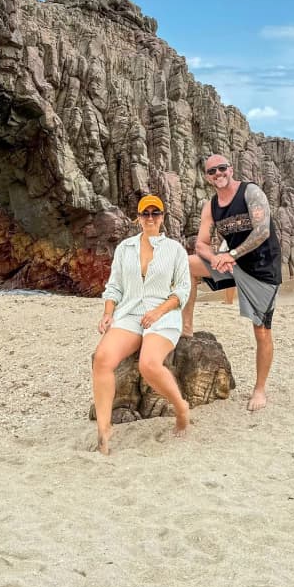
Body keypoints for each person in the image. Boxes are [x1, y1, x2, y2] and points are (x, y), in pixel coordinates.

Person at [91, 194, 192, 456]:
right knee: (102, 359)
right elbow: (114, 286)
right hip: (130, 313)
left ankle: (181, 408)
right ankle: (104, 429)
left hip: (164, 314)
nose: (150, 218)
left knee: (148, 364)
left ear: (162, 217)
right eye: (145, 213)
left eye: (155, 213)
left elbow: (182, 290)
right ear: (138, 218)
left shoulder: (175, 250)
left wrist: (158, 312)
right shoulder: (125, 248)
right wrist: (108, 313)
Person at [182, 154, 281, 412]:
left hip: (261, 268)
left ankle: (260, 389)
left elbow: (262, 231)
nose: (218, 174)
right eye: (212, 171)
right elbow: (201, 244)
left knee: (262, 330)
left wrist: (232, 254)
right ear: (207, 177)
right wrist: (215, 258)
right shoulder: (211, 207)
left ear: (231, 169)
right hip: (230, 263)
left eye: (222, 168)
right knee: (186, 264)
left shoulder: (250, 192)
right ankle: (186, 328)